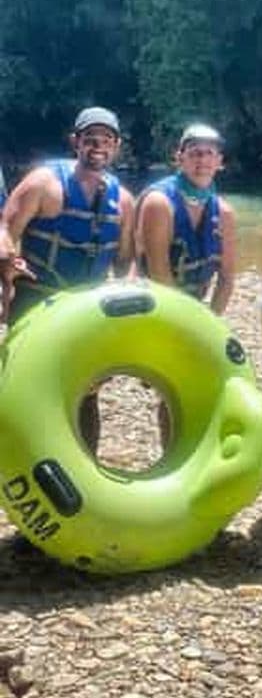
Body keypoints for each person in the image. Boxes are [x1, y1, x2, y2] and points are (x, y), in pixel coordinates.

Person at [0, 107, 135, 449]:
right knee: (27, 385)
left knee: (86, 390)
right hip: (35, 300)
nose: (98, 145)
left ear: (116, 146)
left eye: (106, 139)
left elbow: (126, 262)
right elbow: (5, 229)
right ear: (75, 141)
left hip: (86, 310)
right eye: (90, 138)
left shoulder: (124, 202)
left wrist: (129, 289)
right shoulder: (43, 183)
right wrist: (7, 262)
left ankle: (83, 465)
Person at [135, 123, 236, 314]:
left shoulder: (225, 213)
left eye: (209, 153)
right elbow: (159, 275)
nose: (203, 160)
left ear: (219, 162)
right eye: (195, 153)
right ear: (179, 158)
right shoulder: (159, 203)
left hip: (192, 308)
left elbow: (227, 279)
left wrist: (211, 321)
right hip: (151, 305)